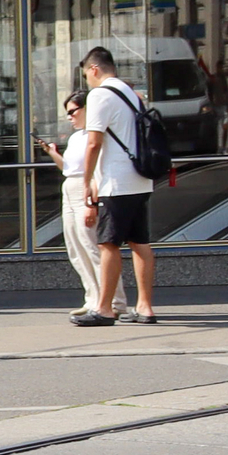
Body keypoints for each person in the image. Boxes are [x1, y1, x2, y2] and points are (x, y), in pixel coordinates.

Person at [77, 47, 156, 325]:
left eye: (86, 73)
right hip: (140, 178)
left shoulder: (99, 95)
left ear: (94, 69)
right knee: (140, 243)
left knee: (108, 243)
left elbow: (94, 142)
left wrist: (87, 181)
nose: (87, 79)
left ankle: (104, 309)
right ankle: (145, 307)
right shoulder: (131, 93)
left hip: (115, 182)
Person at [38, 91, 106, 319]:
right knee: (75, 248)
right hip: (71, 187)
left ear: (87, 108)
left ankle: (112, 301)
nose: (69, 117)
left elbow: (97, 171)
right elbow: (69, 168)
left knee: (92, 246)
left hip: (85, 189)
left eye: (72, 111)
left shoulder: (95, 136)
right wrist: (52, 153)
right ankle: (92, 298)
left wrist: (91, 202)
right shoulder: (77, 137)